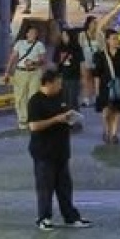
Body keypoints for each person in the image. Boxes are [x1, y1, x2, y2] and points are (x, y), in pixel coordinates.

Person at [27, 69, 92, 230]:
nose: (60, 86)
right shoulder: (35, 101)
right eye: (57, 83)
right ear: (47, 83)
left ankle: (70, 216)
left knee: (64, 186)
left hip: (61, 150)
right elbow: (34, 126)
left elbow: (65, 113)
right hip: (43, 151)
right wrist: (56, 119)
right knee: (45, 187)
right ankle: (44, 217)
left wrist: (70, 118)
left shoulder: (61, 96)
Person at [4, 26, 46, 130]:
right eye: (31, 32)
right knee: (20, 97)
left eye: (35, 33)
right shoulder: (19, 43)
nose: (32, 35)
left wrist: (33, 63)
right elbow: (12, 57)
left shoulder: (39, 45)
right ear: (26, 34)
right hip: (20, 72)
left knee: (33, 97)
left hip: (34, 73)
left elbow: (42, 60)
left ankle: (33, 119)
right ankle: (23, 120)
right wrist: (7, 72)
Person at [93, 29, 120, 144]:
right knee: (106, 112)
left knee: (117, 111)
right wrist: (97, 89)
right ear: (107, 40)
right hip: (105, 86)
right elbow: (97, 74)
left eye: (117, 38)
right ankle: (106, 130)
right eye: (113, 39)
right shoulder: (100, 55)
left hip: (119, 86)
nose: (116, 41)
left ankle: (114, 134)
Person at [53, 29, 86, 112]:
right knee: (63, 101)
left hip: (74, 77)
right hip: (62, 77)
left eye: (66, 35)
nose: (64, 38)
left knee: (72, 100)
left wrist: (83, 77)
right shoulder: (59, 47)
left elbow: (81, 63)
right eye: (62, 35)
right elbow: (55, 62)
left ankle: (74, 122)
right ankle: (65, 121)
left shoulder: (77, 48)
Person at [79, 16, 102, 107]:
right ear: (88, 24)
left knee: (96, 79)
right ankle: (86, 98)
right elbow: (80, 47)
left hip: (96, 60)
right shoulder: (82, 35)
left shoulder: (100, 34)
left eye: (96, 23)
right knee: (86, 79)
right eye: (93, 23)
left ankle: (96, 97)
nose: (95, 25)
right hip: (85, 59)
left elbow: (102, 48)